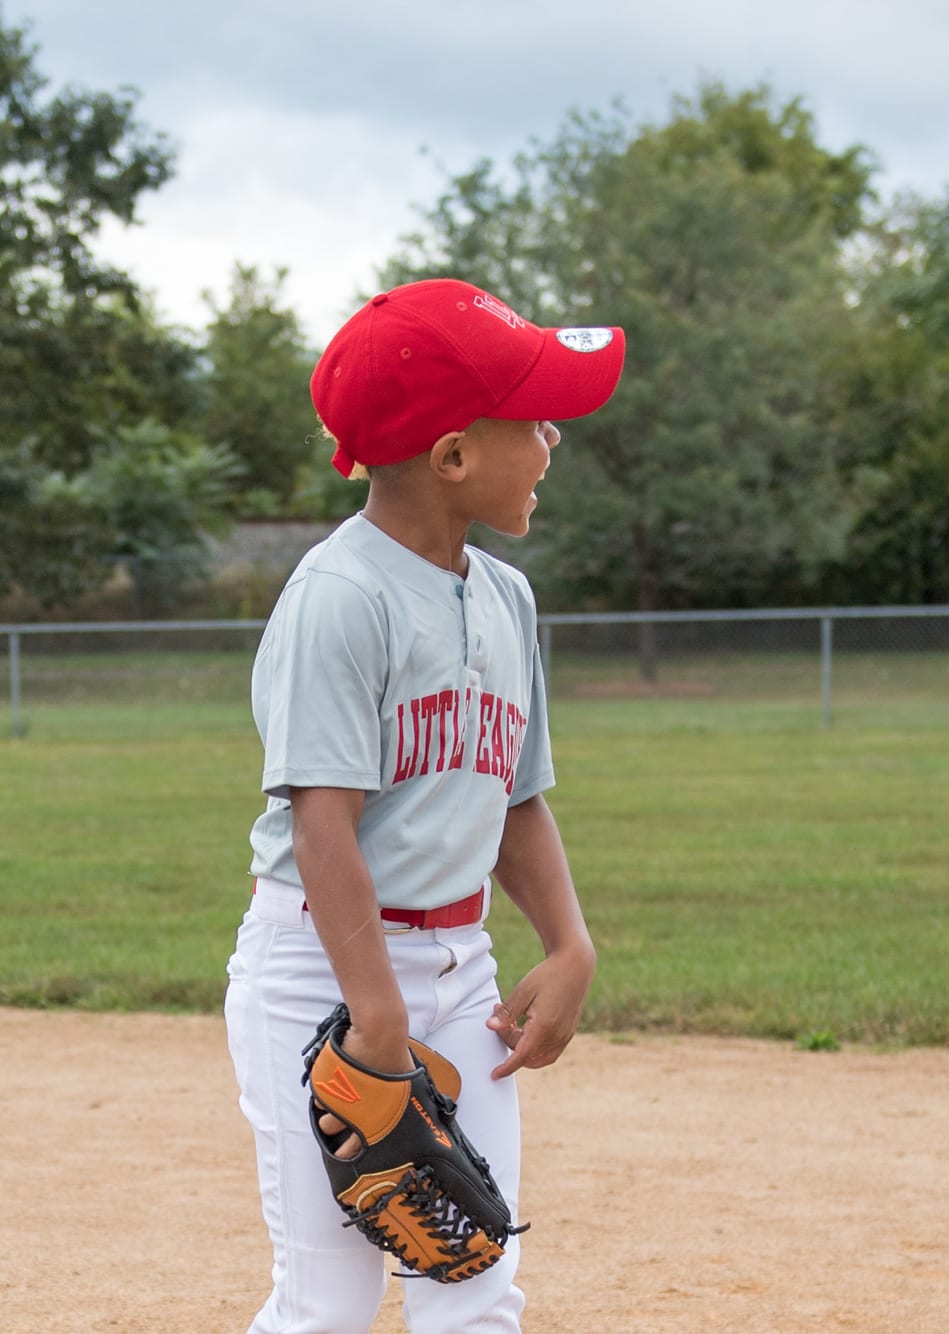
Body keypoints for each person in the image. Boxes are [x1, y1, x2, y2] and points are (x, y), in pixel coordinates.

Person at [224, 277, 626, 1332]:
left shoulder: (504, 595)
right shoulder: (340, 596)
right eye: (534, 423)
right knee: (328, 1297)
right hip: (323, 973)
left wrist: (568, 941)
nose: (552, 441)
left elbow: (517, 797)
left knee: (475, 1276)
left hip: (462, 974)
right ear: (450, 457)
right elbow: (323, 824)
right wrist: (378, 1017)